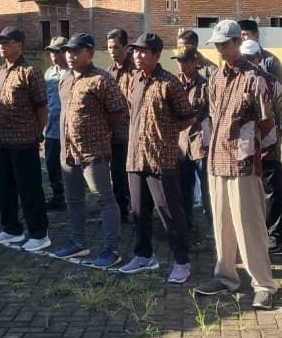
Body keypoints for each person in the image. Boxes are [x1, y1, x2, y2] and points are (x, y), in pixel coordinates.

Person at [194, 20, 280, 309]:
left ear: (237, 43)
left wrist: (257, 152)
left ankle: (264, 284)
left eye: (224, 44)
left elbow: (269, 122)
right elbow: (211, 117)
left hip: (244, 163)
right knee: (222, 224)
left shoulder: (256, 78)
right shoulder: (216, 78)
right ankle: (226, 276)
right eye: (216, 45)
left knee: (250, 226)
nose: (219, 49)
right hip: (217, 160)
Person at [121, 33, 196, 282]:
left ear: (156, 55)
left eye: (143, 51)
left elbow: (188, 117)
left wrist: (166, 135)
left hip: (160, 159)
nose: (138, 55)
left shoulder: (169, 83)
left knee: (169, 212)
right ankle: (144, 255)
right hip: (135, 157)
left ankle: (181, 261)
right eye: (135, 51)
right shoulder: (135, 80)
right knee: (138, 211)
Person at [53, 33, 128, 267]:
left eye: (76, 51)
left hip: (93, 152)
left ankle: (111, 249)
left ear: (91, 53)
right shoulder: (65, 78)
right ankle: (79, 242)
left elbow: (118, 111)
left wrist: (100, 131)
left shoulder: (101, 79)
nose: (71, 55)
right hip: (68, 152)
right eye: (68, 51)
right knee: (73, 199)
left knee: (104, 199)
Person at [0, 26, 50, 252]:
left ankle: (39, 233)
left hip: (24, 140)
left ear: (19, 45)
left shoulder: (30, 72)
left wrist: (37, 132)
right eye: (0, 42)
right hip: (1, 140)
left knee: (29, 189)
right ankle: (12, 229)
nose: (2, 46)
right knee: (3, 187)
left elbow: (42, 108)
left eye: (7, 42)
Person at [243, 38, 282, 251]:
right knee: (251, 191)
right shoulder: (239, 81)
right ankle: (257, 231)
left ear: (259, 58)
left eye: (251, 57)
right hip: (244, 147)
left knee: (272, 191)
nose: (248, 61)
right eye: (244, 57)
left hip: (267, 144)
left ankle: (275, 234)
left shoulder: (271, 82)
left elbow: (281, 113)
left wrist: (274, 140)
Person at [173, 43, 212, 240]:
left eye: (185, 61)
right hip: (181, 144)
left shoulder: (205, 85)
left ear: (195, 62)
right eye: (179, 61)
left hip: (201, 142)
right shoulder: (174, 84)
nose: (181, 65)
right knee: (183, 188)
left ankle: (214, 227)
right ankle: (186, 224)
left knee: (207, 189)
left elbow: (209, 113)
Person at [106, 28, 135, 223]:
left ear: (125, 46)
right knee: (116, 175)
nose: (112, 51)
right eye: (109, 47)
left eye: (116, 47)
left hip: (132, 133)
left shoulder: (135, 71)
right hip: (114, 134)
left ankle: (138, 210)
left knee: (131, 177)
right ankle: (121, 211)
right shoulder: (109, 72)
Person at [43, 37, 68, 210]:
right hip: (51, 128)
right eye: (51, 52)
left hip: (69, 130)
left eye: (57, 52)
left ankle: (73, 197)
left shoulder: (73, 72)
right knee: (52, 164)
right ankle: (57, 196)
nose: (53, 55)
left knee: (71, 166)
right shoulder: (49, 73)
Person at [238, 19, 282, 88]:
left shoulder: (269, 60)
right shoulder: (236, 59)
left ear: (256, 36)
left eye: (244, 34)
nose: (241, 38)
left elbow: (280, 88)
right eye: (239, 36)